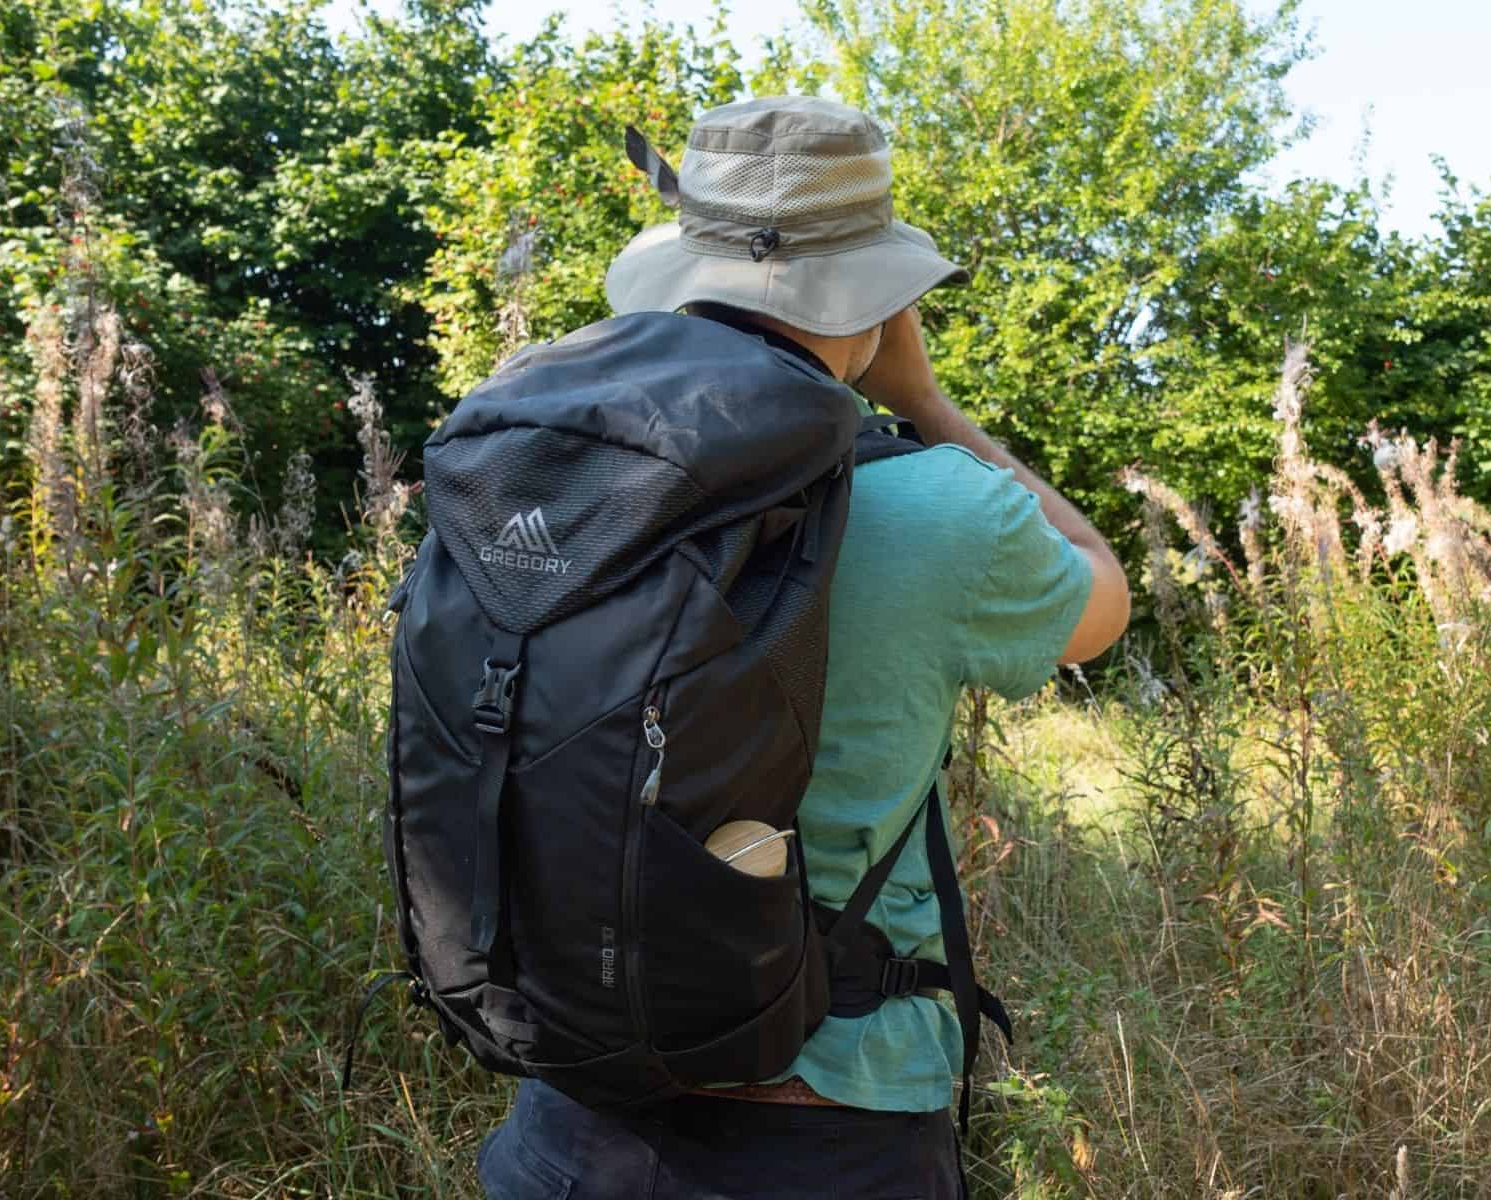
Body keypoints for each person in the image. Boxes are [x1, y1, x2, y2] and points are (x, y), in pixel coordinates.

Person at [476, 94, 1130, 1200]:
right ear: (877, 295)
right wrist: (923, 399)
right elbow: (1101, 604)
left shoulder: (556, 476)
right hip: (828, 1121)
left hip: (577, 1109)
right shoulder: (947, 514)